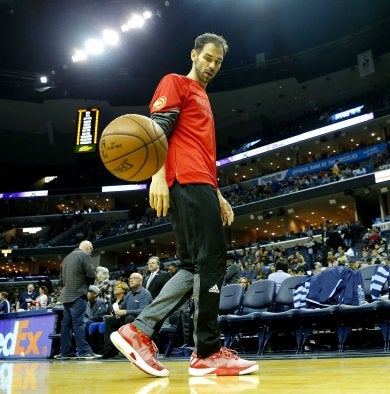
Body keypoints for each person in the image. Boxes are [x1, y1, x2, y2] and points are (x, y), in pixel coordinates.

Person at [110, 32, 258, 378]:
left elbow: (202, 152)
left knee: (193, 265)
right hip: (185, 181)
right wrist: (157, 177)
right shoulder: (175, 82)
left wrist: (218, 195)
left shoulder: (203, 97)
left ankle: (138, 330)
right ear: (193, 54)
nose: (212, 66)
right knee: (213, 262)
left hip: (201, 183)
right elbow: (156, 131)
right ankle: (206, 351)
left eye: (218, 62)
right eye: (207, 57)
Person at [57, 240, 100, 359]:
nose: (91, 254)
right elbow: (91, 274)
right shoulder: (84, 255)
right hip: (78, 294)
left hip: (66, 296)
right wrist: (89, 284)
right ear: (88, 247)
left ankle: (66, 352)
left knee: (66, 326)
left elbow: (60, 280)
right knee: (79, 324)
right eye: (91, 250)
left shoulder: (66, 258)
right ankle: (84, 351)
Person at [102, 273, 152, 358]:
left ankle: (129, 350)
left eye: (134, 278)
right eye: (130, 278)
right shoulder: (129, 294)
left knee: (129, 318)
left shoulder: (145, 294)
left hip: (141, 322)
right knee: (109, 320)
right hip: (128, 320)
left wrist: (125, 312)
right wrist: (117, 309)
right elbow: (123, 307)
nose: (131, 280)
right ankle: (109, 350)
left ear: (140, 280)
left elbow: (143, 311)